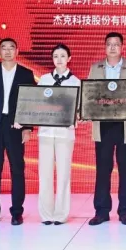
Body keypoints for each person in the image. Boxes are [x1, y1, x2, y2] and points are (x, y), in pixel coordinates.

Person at [87, 32, 126, 226]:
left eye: (116, 44)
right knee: (103, 169)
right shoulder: (95, 68)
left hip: (125, 124)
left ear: (122, 47)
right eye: (109, 44)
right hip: (103, 124)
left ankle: (125, 211)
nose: (112, 48)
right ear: (105, 47)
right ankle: (101, 211)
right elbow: (88, 95)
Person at [0, 38, 35, 227]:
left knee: (17, 170)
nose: (8, 51)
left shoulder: (26, 74)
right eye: (4, 48)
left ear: (17, 51)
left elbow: (31, 102)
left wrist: (27, 127)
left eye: (12, 48)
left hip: (15, 127)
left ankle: (17, 212)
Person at [37, 44, 80, 225]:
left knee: (63, 174)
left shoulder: (75, 82)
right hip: (46, 132)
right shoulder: (44, 79)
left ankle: (61, 214)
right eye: (56, 56)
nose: (59, 59)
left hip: (65, 133)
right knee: (44, 173)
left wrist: (76, 115)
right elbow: (37, 103)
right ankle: (46, 214)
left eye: (63, 56)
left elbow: (79, 108)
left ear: (69, 58)